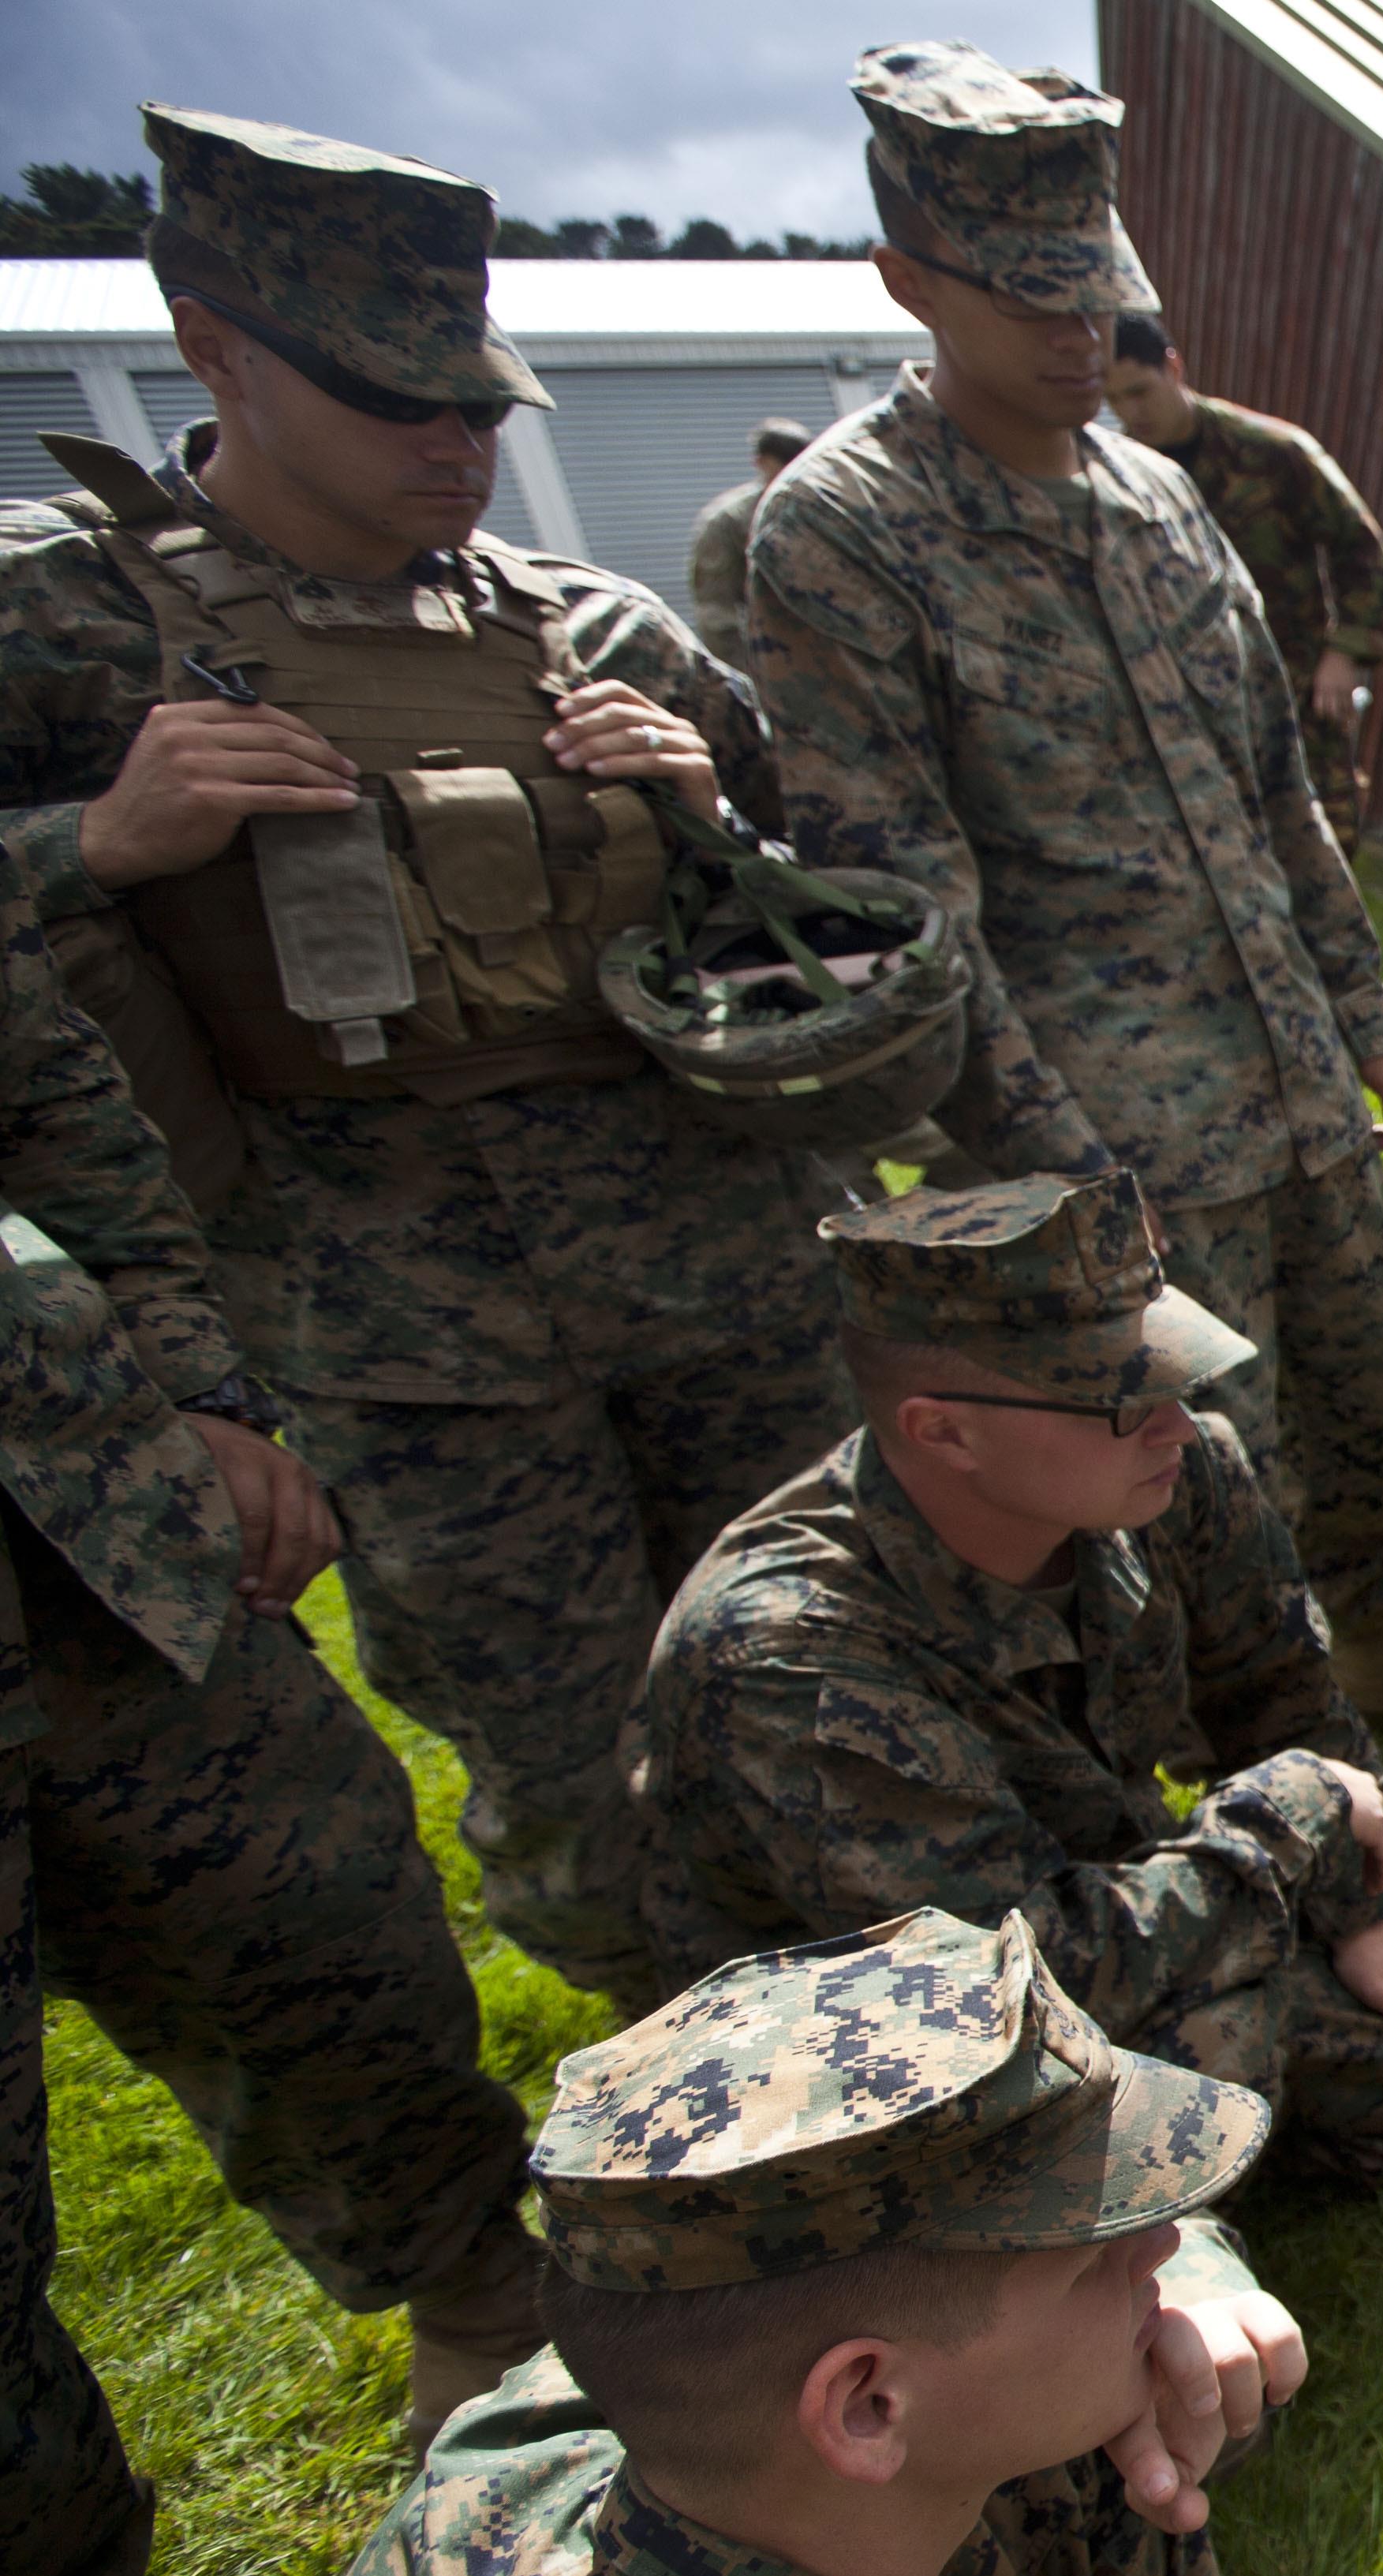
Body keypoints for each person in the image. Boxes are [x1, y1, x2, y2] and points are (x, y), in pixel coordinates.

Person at [0, 106, 854, 2002]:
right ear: (210, 342)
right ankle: (720, 2091)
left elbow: (824, 926)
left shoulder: (597, 628)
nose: (458, 446)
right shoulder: (56, 619)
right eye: (399, 402)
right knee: (578, 1777)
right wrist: (89, 846)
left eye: (479, 403)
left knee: (830, 1671)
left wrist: (709, 811)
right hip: (402, 1342)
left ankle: (921, 2025)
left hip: (725, 1276)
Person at [752, 43, 1383, 1732]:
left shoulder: (1165, 502)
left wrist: (1367, 1017)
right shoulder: (847, 531)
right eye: (1029, 301)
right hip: (1106, 1132)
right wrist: (1066, 1169)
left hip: (1290, 1090)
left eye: (1099, 298)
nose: (1081, 340)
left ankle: (1367, 1652)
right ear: (908, 279)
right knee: (1191, 1470)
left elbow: (1280, 799)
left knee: (1358, 1408)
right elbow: (909, 916)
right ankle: (1255, 1757)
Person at [227, 1907, 1383, 2576]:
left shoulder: (547, 2441)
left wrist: (1177, 2270)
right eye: (1095, 2238)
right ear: (864, 2402)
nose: (1159, 2241)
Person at [0, 855, 540, 2576]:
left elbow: (49, 1080)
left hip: (77, 1506)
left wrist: (188, 1382)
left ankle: (484, 2297)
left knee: (318, 1921)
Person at [634, 1168, 1383, 2188]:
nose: (1176, 1423)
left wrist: (1359, 1914)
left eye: (1171, 1375)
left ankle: (1145, 2197)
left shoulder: (1176, 1474)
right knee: (1213, 2054)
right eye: (1118, 1395)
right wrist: (1293, 1819)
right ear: (943, 1430)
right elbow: (1002, 1979)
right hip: (875, 2053)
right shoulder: (782, 1660)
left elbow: (1283, 1697)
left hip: (1083, 1922)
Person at [1101, 312, 1383, 851]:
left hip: (1295, 692)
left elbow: (1360, 545)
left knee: (1323, 853)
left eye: (1140, 392)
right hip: (1186, 711)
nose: (1130, 412)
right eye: (1114, 399)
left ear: (1173, 367)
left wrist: (1345, 650)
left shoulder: (1269, 451)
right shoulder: (1118, 480)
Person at [681, 413, 812, 661]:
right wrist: (748, 678)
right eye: (784, 463)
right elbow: (716, 614)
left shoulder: (822, 508)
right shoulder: (728, 521)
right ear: (760, 462)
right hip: (774, 656)